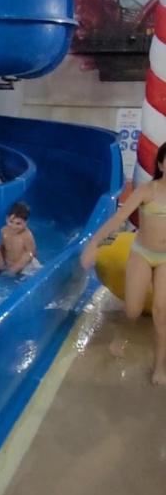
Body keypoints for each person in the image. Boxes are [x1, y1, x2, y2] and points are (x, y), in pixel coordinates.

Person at [81, 141, 166, 385]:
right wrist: (94, 243)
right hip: (142, 254)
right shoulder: (147, 191)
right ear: (161, 164)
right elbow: (119, 217)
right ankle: (121, 333)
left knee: (162, 312)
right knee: (132, 310)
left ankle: (160, 366)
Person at [0, 201, 40, 276]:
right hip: (6, 264)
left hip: (21, 268)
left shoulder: (27, 236)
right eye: (11, 222)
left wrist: (17, 266)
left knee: (28, 255)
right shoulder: (4, 231)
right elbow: (2, 248)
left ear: (26, 222)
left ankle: (8, 274)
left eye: (18, 223)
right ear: (6, 218)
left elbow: (33, 255)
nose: (13, 226)